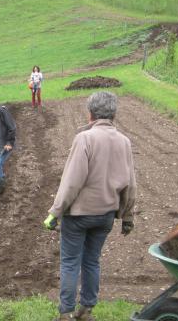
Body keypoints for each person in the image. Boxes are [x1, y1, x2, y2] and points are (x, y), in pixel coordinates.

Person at [42, 91, 136, 321]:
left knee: (70, 262)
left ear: (91, 113)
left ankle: (66, 313)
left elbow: (72, 181)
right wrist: (127, 217)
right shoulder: (124, 142)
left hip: (79, 215)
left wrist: (55, 212)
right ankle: (86, 311)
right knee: (92, 261)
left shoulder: (85, 139)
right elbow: (130, 183)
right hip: (105, 215)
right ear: (113, 114)